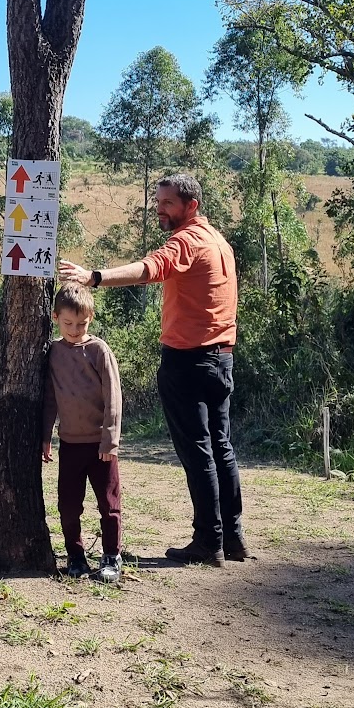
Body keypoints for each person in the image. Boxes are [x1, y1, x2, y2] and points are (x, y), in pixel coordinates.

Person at [58, 173, 245, 568]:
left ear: (191, 205)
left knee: (199, 451)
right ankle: (232, 538)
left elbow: (149, 269)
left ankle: (208, 541)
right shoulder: (219, 241)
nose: (159, 209)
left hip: (188, 361)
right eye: (158, 202)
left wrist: (94, 277)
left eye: (167, 203)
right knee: (220, 447)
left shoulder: (187, 241)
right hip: (222, 358)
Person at [41, 282, 124, 583]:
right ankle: (75, 556)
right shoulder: (53, 352)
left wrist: (110, 441)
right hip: (70, 444)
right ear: (55, 317)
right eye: (68, 323)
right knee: (68, 505)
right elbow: (50, 397)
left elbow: (113, 396)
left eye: (81, 324)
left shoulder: (99, 350)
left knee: (109, 505)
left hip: (100, 446)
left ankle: (111, 556)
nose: (74, 330)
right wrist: (45, 436)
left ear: (91, 318)